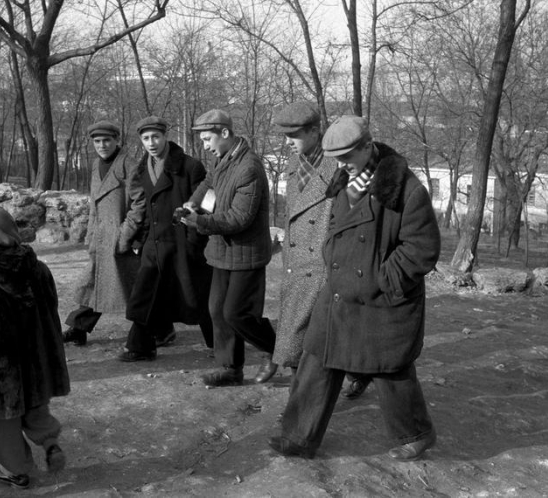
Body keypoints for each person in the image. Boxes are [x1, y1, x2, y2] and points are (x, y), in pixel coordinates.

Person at [269, 115, 441, 461]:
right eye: (336, 159)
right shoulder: (343, 180)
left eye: (347, 157)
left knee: (389, 368)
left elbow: (422, 248)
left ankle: (417, 434)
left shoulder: (406, 189)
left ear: (368, 147)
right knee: (317, 358)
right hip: (337, 290)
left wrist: (381, 279)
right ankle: (298, 437)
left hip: (381, 298)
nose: (341, 166)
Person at [0, 206, 71, 490]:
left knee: (5, 421)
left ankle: (15, 471)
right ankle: (50, 442)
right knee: (36, 407)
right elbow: (51, 310)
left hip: (4, 371)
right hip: (38, 359)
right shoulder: (39, 268)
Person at [179, 109, 277, 387]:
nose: (204, 146)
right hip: (221, 251)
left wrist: (199, 221)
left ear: (225, 133)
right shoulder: (222, 158)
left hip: (247, 254)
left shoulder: (249, 167)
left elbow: (239, 218)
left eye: (207, 139)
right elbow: (209, 183)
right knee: (217, 311)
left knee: (237, 313)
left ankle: (278, 349)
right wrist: (192, 204)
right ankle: (230, 370)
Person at [119, 116, 214, 361]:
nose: (151, 143)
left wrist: (194, 243)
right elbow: (145, 208)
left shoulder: (191, 167)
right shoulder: (142, 169)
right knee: (145, 294)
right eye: (146, 138)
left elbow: (206, 206)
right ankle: (141, 347)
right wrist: (140, 240)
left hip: (185, 243)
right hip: (155, 243)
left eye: (156, 137)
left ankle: (221, 344)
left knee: (199, 296)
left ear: (165, 136)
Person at [62, 120, 145, 347]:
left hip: (120, 237)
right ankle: (78, 328)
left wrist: (125, 234)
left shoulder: (128, 164)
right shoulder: (96, 164)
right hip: (100, 236)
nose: (102, 145)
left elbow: (139, 203)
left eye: (107, 140)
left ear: (117, 140)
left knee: (135, 285)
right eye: (97, 141)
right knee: (95, 282)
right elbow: (94, 202)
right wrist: (91, 233)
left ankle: (160, 329)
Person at [270, 102, 337, 377]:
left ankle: (309, 391)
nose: (287, 142)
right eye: (285, 136)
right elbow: (294, 211)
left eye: (293, 135)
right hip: (295, 259)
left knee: (316, 335)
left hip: (320, 260)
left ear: (313, 131)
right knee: (299, 332)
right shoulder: (295, 161)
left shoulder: (337, 165)